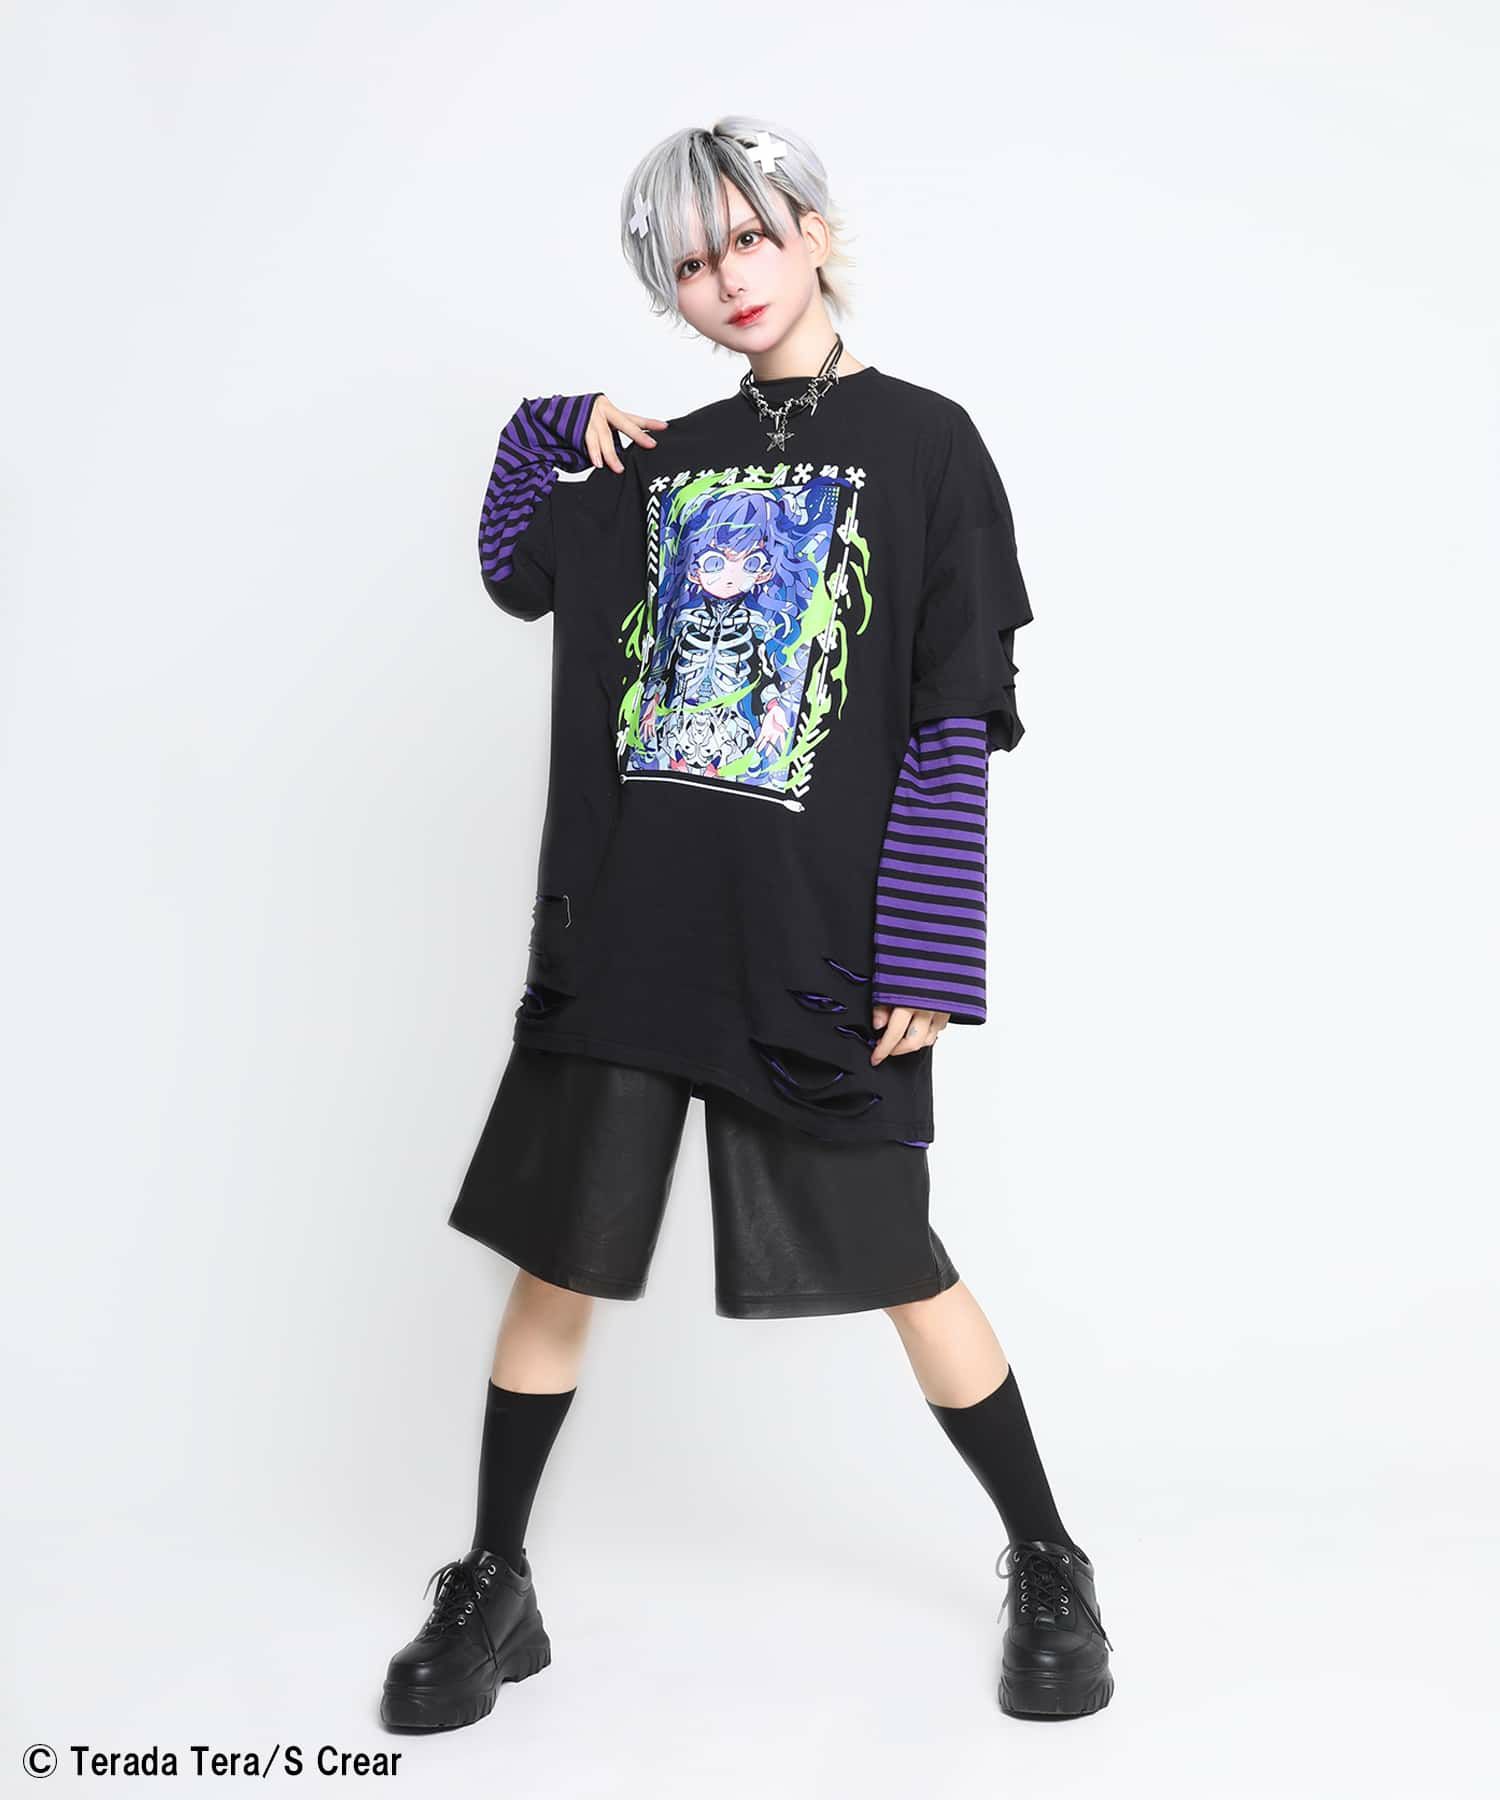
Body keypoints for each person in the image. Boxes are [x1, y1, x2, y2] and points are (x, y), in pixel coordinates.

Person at [379, 116, 1113, 1735]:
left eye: (752, 238)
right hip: (630, 928)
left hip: (814, 941)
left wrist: (932, 945)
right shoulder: (662, 462)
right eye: (693, 262)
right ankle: (495, 1577)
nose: (729, 279)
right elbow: (514, 567)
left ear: (817, 232)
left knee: (903, 1260)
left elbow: (951, 706)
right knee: (557, 1261)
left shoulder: (927, 445)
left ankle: (1050, 1560)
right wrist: (545, 429)